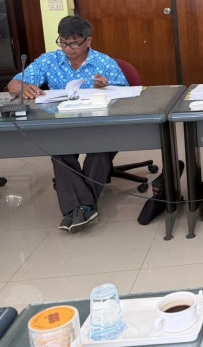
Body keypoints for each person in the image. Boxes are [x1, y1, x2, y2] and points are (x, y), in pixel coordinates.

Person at [7, 15, 128, 232]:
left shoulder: (104, 63)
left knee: (102, 148)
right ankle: (84, 208)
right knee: (59, 150)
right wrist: (23, 87)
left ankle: (79, 208)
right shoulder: (49, 60)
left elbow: (127, 95)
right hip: (63, 125)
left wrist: (107, 87)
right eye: (62, 42)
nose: (67, 48)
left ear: (88, 41)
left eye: (73, 43)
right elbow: (12, 84)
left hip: (99, 125)